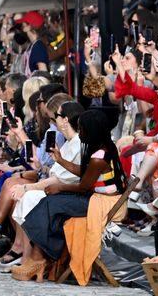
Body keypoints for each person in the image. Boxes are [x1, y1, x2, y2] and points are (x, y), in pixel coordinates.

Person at [14, 109, 124, 281]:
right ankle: (41, 257)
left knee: (51, 204)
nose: (80, 133)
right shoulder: (102, 148)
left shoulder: (98, 157)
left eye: (82, 129)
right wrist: (60, 160)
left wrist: (60, 188)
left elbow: (83, 186)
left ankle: (39, 258)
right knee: (51, 204)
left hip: (102, 204)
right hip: (96, 199)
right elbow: (86, 173)